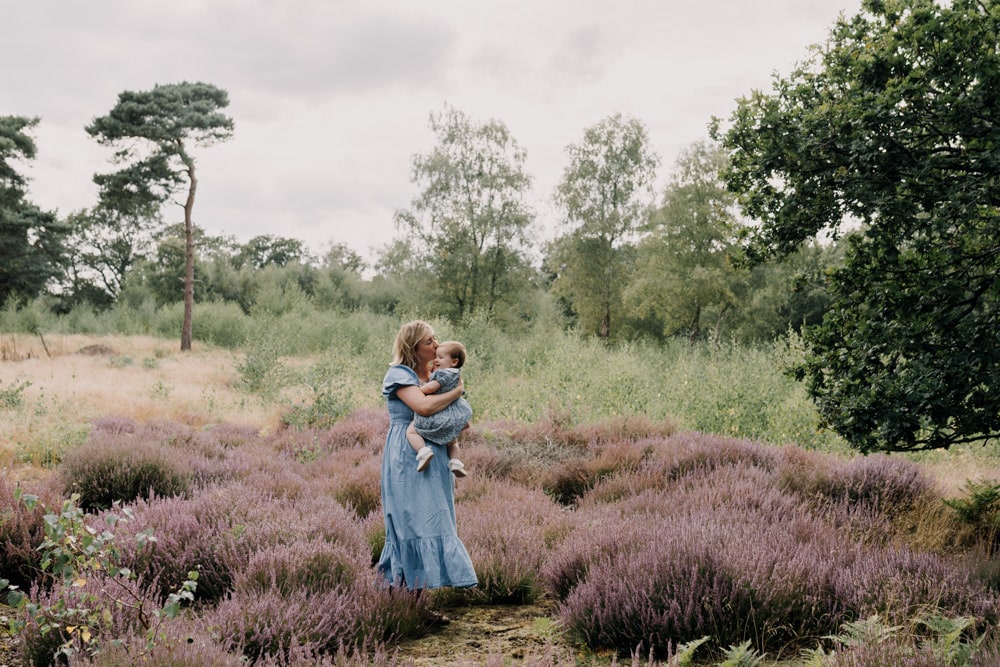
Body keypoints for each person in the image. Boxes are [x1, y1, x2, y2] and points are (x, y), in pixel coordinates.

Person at [377, 320, 478, 591]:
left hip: (436, 452)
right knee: (409, 523)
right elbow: (422, 406)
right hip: (407, 453)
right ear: (414, 347)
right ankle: (400, 599)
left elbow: (452, 414)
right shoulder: (399, 375)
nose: (436, 345)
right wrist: (457, 392)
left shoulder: (435, 377)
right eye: (429, 341)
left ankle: (421, 602)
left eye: (435, 340)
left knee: (434, 518)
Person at [405, 340, 471, 477]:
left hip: (438, 413)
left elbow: (431, 388)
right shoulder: (456, 375)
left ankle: (423, 451)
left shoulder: (442, 374)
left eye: (440, 357)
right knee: (452, 441)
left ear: (454, 362)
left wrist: (420, 388)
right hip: (453, 413)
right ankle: (455, 461)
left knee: (412, 431)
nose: (436, 360)